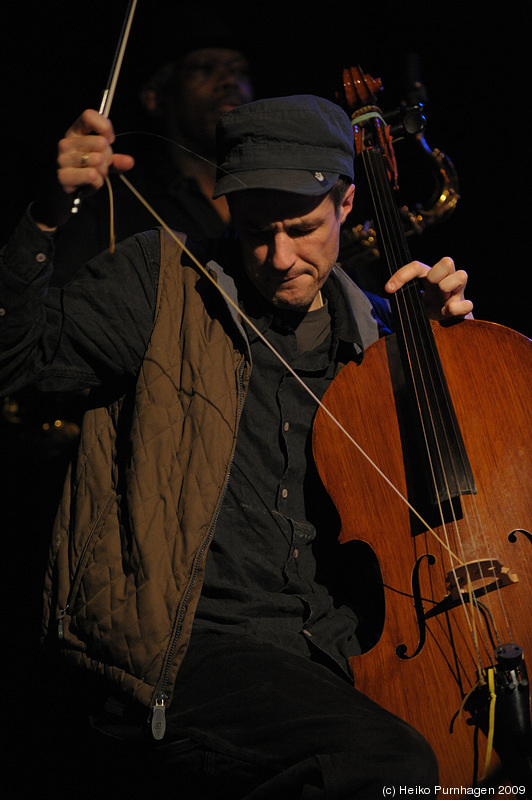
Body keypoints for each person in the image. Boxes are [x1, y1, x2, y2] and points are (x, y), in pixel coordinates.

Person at [0, 95, 473, 799]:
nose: (280, 257)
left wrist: (448, 358)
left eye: (302, 228)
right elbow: (18, 361)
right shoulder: (159, 281)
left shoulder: (382, 335)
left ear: (346, 205)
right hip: (188, 647)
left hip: (333, 653)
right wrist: (43, 215)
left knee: (477, 774)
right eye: (256, 230)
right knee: (389, 767)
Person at [49, 30, 255, 286]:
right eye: (204, 68)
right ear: (154, 98)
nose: (230, 81)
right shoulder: (114, 201)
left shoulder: (268, 191)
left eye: (240, 71)